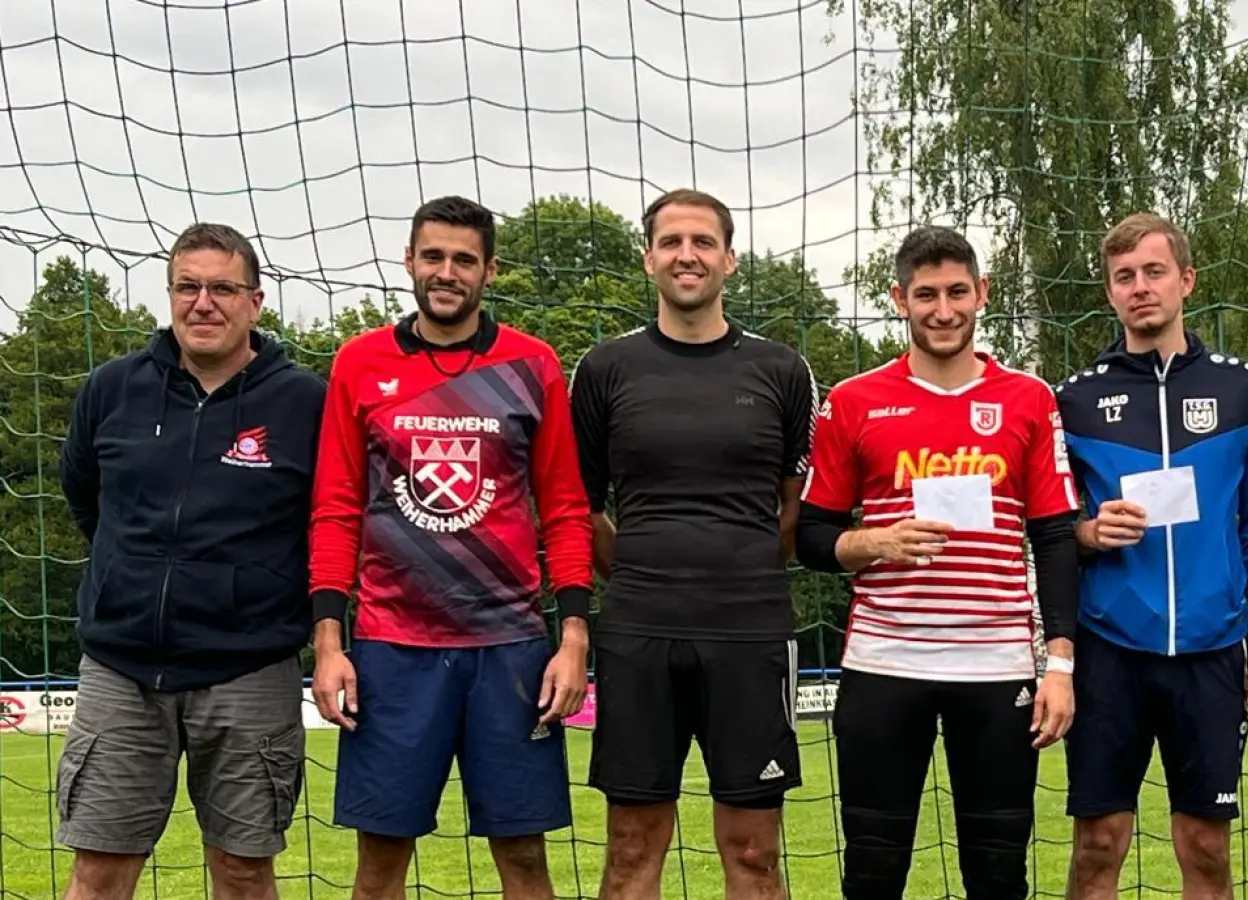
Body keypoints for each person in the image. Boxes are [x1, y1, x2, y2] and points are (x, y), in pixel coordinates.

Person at [306, 195, 594, 900]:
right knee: (380, 863)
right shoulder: (359, 362)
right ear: (408, 260)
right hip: (391, 648)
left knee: (524, 858)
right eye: (432, 255)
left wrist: (574, 635)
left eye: (463, 259)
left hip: (511, 648)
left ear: (489, 269)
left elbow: (564, 508)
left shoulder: (532, 364)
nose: (446, 271)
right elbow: (335, 510)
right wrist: (328, 641)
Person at [792, 225, 1079, 900]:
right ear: (899, 299)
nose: (943, 310)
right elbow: (810, 536)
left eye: (956, 292)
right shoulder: (854, 400)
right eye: (926, 294)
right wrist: (870, 543)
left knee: (999, 870)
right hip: (884, 666)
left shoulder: (1028, 398)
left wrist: (1059, 664)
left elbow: (1055, 537)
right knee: (871, 867)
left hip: (997, 666)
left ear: (981, 293)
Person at [53, 222, 326, 900]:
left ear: (256, 301)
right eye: (187, 286)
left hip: (249, 667)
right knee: (99, 870)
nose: (203, 303)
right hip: (121, 667)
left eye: (223, 288)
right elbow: (85, 499)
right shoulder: (112, 389)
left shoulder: (306, 402)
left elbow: (330, 525)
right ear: (170, 294)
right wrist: (134, 579)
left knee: (242, 871)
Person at [567, 187, 817, 900]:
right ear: (647, 258)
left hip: (750, 630)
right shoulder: (605, 369)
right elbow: (576, 506)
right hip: (638, 628)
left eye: (702, 242)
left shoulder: (782, 370)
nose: (687, 255)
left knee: (753, 853)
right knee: (630, 849)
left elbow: (794, 503)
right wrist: (642, 576)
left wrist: (734, 571)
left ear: (729, 260)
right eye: (671, 242)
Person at [1052, 211, 1248, 900]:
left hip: (1211, 650)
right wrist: (1087, 533)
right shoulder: (1073, 399)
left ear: (1186, 279)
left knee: (1206, 849)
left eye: (1153, 272)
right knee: (1097, 845)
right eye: (1123, 277)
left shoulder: (1243, 390)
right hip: (1108, 651)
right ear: (1108, 293)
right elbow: (1050, 527)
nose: (1139, 288)